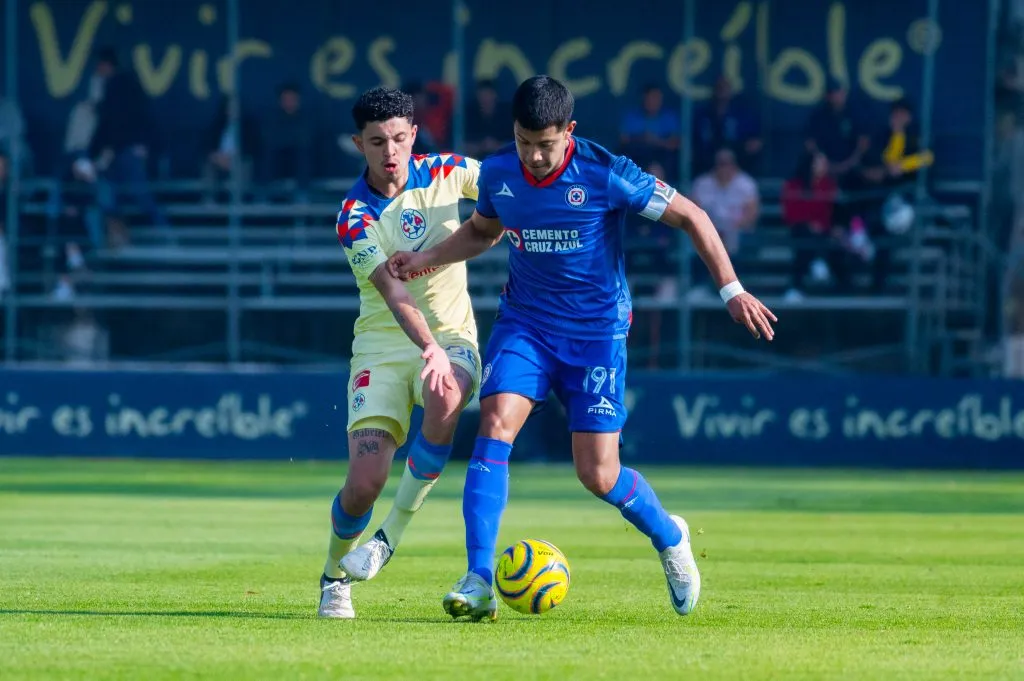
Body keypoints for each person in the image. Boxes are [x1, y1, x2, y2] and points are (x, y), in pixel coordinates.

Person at [389, 75, 776, 620]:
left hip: (596, 335)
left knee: (598, 474)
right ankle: (478, 578)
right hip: (526, 324)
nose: (534, 155)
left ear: (568, 131)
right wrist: (426, 257)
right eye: (524, 141)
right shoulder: (499, 172)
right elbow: (482, 231)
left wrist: (731, 289)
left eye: (545, 144)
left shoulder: (605, 171)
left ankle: (670, 537)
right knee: (494, 426)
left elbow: (693, 215)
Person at [318, 87, 483, 619]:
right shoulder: (352, 216)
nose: (389, 152)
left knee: (446, 391)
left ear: (413, 135)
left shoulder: (450, 171)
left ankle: (388, 538)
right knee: (364, 483)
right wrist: (427, 347)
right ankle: (333, 576)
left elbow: (508, 191)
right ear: (357, 145)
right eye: (376, 142)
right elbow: (394, 294)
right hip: (383, 345)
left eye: (397, 138)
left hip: (453, 336)